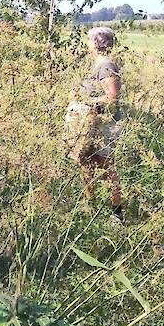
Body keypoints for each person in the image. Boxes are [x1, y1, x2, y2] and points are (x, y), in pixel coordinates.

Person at [66, 26, 124, 221]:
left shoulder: (105, 65)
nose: (87, 44)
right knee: (85, 162)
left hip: (104, 125)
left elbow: (112, 98)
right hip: (91, 123)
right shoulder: (97, 64)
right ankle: (90, 207)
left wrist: (86, 103)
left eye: (89, 40)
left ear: (96, 43)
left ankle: (117, 215)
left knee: (106, 167)